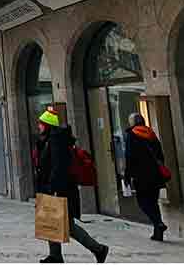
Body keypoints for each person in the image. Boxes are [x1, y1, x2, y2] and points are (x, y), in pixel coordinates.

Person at [35, 109, 108, 264]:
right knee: (51, 222)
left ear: (47, 125)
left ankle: (99, 249)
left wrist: (53, 188)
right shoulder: (49, 140)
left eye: (41, 123)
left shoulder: (56, 141)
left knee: (68, 226)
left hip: (60, 189)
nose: (38, 126)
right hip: (53, 188)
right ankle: (55, 255)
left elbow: (58, 167)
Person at [124, 113, 168, 241]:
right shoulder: (151, 133)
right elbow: (160, 154)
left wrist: (127, 175)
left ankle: (158, 223)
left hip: (140, 175)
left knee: (143, 201)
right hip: (155, 174)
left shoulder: (132, 135)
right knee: (153, 202)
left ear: (132, 123)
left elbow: (129, 156)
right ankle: (158, 230)